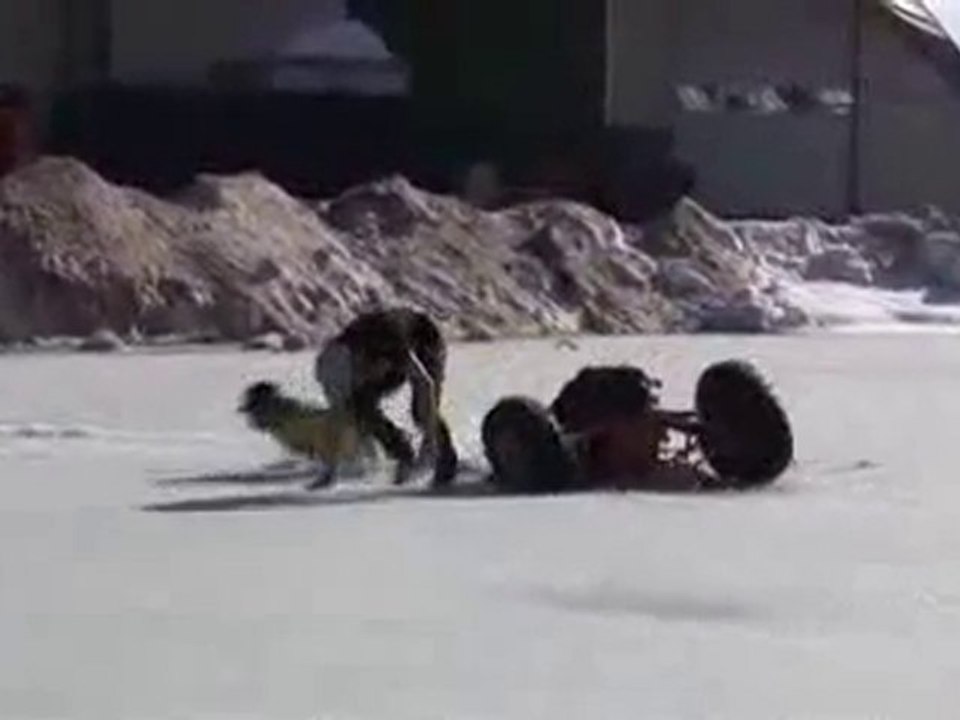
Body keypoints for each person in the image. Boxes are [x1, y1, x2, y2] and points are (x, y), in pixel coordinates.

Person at [314, 308, 459, 488]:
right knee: (360, 407)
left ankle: (446, 461)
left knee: (421, 413)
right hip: (374, 350)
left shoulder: (391, 344)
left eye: (365, 373)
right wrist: (329, 473)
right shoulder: (333, 367)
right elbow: (339, 418)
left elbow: (425, 383)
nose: (365, 378)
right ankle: (402, 453)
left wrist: (430, 438)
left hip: (424, 338)